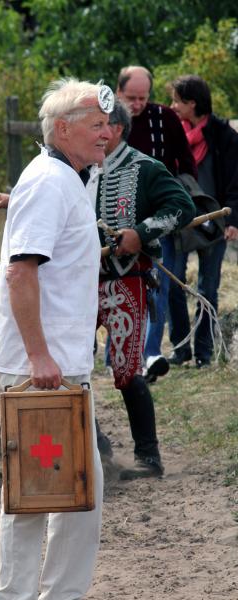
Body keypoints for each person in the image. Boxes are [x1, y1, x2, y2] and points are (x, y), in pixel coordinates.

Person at [0, 78, 114, 600]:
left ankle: (61, 598)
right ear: (62, 129)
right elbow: (20, 271)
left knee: (82, 486)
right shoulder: (48, 180)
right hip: (42, 366)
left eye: (107, 124)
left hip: (63, 363)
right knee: (36, 486)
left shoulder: (67, 178)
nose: (107, 133)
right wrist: (38, 354)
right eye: (95, 124)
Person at [93, 99, 195, 479]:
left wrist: (143, 232)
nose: (95, 132)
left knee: (125, 367)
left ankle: (149, 457)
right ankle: (96, 447)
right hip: (80, 283)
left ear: (116, 128)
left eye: (99, 124)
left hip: (127, 279)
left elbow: (182, 207)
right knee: (70, 363)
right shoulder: (76, 168)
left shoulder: (145, 168)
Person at [117, 65, 197, 382]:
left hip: (159, 221)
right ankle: (120, 353)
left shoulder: (164, 118)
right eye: (130, 98)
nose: (137, 105)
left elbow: (186, 163)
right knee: (119, 287)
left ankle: (149, 355)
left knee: (157, 288)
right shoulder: (105, 121)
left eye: (142, 98)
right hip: (116, 225)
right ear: (118, 91)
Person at [166, 75, 238, 367]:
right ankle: (181, 347)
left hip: (215, 221)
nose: (172, 106)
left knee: (208, 288)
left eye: (176, 101)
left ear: (192, 104)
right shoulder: (173, 134)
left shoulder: (224, 136)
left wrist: (234, 218)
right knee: (173, 283)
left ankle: (204, 353)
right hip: (181, 220)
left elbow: (236, 180)